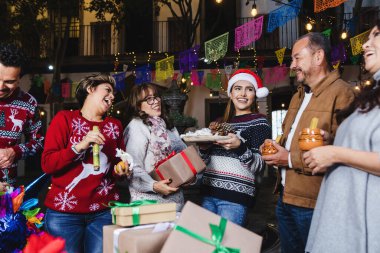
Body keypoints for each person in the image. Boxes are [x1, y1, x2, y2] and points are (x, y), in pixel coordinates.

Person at [261, 32, 355, 253]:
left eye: (297, 58)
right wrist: (274, 149)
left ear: (318, 56)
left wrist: (289, 159)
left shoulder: (343, 94)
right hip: (285, 197)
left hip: (315, 202)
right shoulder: (297, 96)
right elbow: (289, 141)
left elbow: (345, 155)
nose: (292, 65)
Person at [305, 22, 380, 253]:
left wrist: (335, 153)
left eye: (376, 35)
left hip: (364, 222)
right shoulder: (374, 92)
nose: (366, 44)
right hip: (344, 218)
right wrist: (334, 142)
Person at [41, 73, 130, 253]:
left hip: (103, 211)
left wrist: (120, 170)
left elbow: (118, 163)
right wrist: (80, 146)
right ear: (90, 89)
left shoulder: (115, 125)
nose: (112, 96)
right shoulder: (64, 119)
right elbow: (48, 164)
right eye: (107, 90)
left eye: (113, 93)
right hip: (63, 213)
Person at [199, 69, 271, 226]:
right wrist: (203, 148)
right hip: (208, 192)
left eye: (249, 89)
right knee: (202, 245)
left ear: (255, 95)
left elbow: (259, 166)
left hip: (236, 197)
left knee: (226, 248)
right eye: (238, 88)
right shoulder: (220, 123)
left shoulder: (260, 123)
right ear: (231, 94)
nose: (243, 94)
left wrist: (239, 146)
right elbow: (205, 161)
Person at [123, 83, 187, 211]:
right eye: (149, 99)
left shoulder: (168, 126)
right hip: (148, 205)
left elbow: (184, 157)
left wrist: (189, 176)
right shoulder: (137, 126)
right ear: (138, 105)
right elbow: (132, 166)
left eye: (156, 97)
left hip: (176, 204)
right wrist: (153, 185)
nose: (156, 102)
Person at [0, 43, 44, 186]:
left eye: (9, 82)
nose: (1, 86)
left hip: (6, 189)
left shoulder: (29, 103)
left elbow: (39, 142)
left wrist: (15, 152)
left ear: (19, 79)